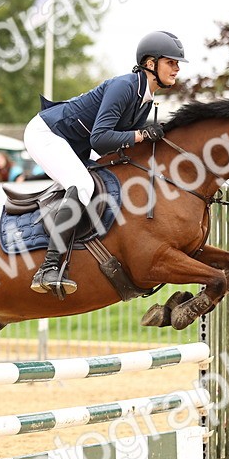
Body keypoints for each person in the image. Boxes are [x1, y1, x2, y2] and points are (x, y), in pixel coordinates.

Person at [23, 30, 186, 296]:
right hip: (46, 133)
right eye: (171, 62)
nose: (177, 68)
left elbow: (119, 145)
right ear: (150, 63)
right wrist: (142, 134)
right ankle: (48, 268)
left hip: (74, 143)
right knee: (83, 185)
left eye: (177, 63)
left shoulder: (145, 100)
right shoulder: (124, 86)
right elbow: (100, 139)